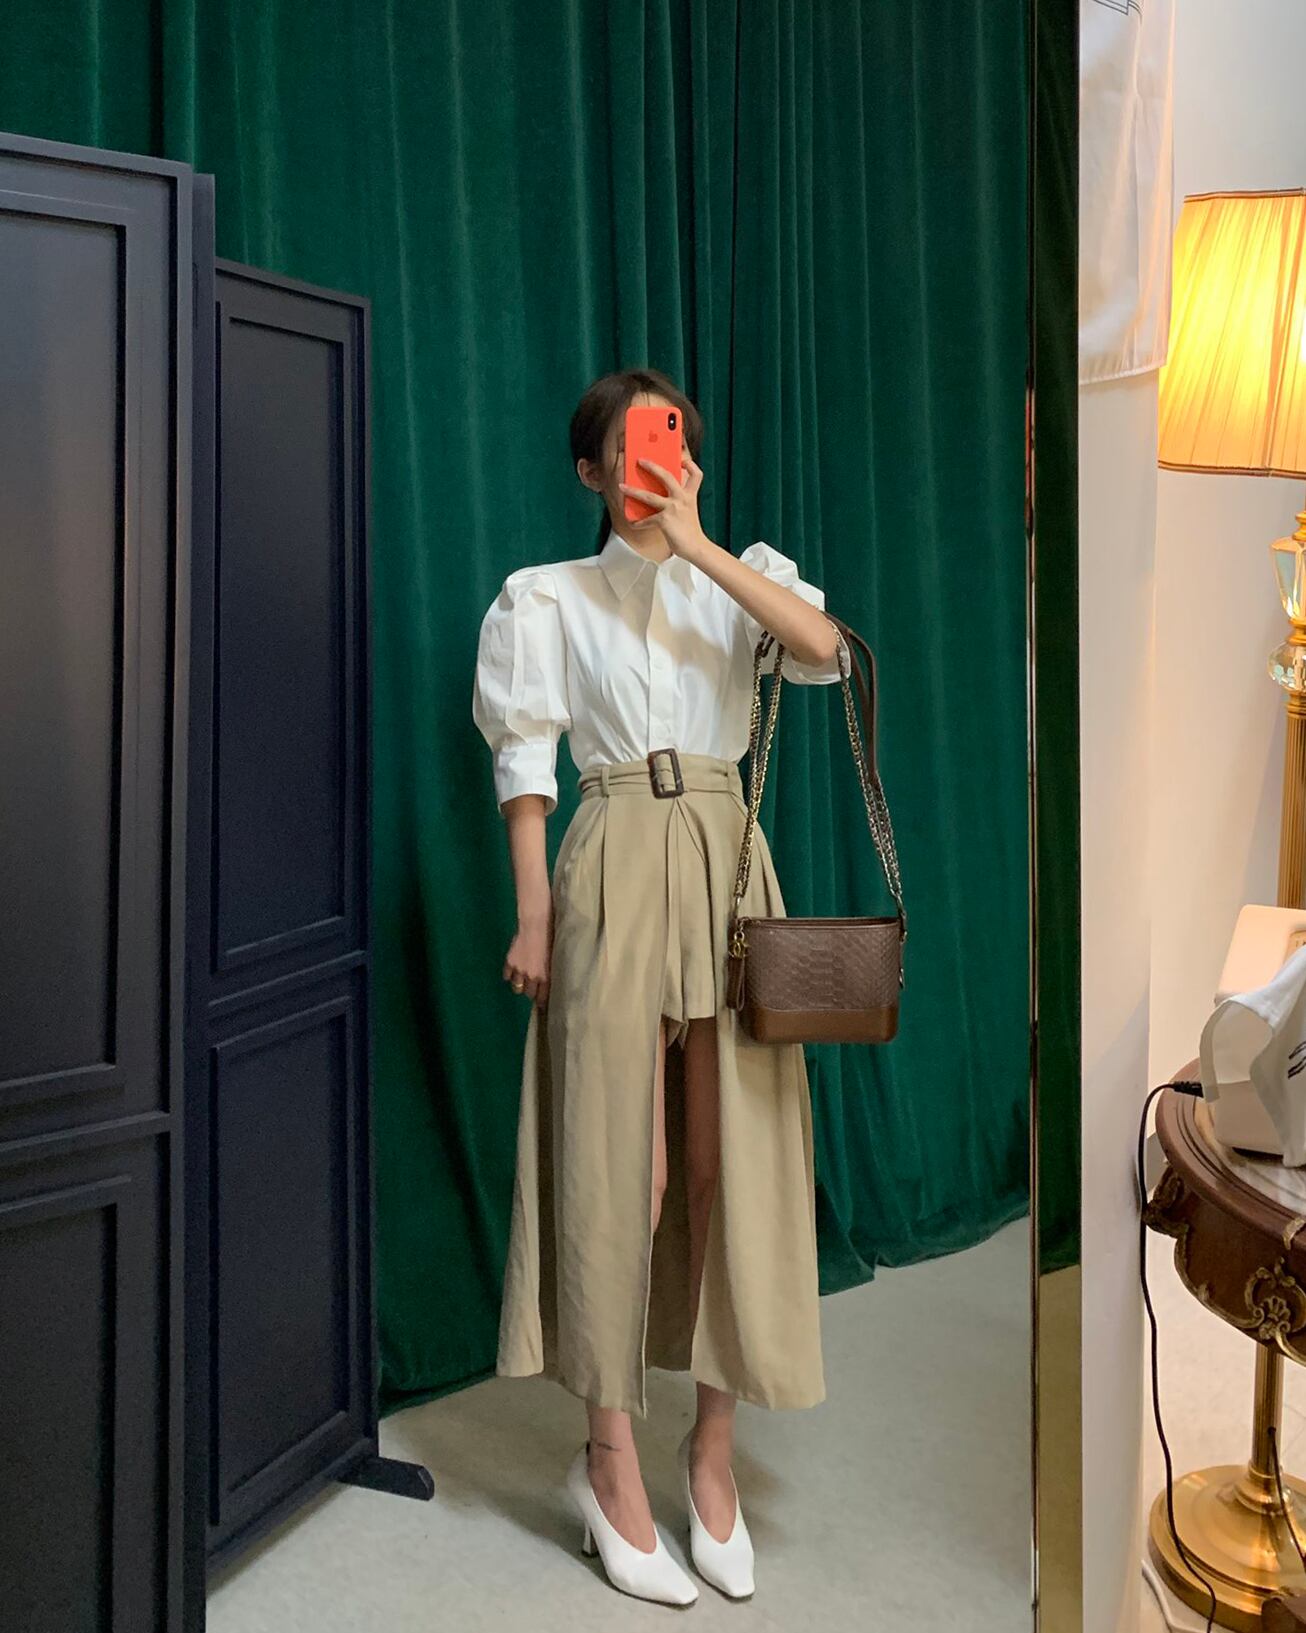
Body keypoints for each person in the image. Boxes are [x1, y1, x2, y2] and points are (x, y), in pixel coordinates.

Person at [471, 366, 845, 1606]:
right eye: (625, 451)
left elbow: (824, 652)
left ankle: (712, 1450)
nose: (649, 464)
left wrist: (695, 544)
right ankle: (609, 1461)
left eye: (668, 441)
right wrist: (534, 913)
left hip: (729, 863)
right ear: (591, 471)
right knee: (616, 1171)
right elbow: (527, 760)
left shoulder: (741, 576)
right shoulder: (546, 596)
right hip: (613, 861)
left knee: (725, 1161)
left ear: (689, 455)